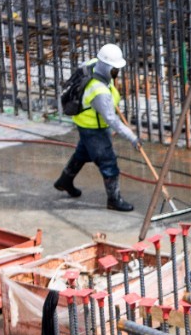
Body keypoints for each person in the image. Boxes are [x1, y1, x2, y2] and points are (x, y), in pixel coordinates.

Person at [53, 44, 138, 212]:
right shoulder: (99, 92)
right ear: (106, 67)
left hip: (85, 125)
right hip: (94, 130)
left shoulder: (93, 64)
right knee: (108, 163)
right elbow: (112, 120)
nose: (117, 73)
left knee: (82, 153)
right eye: (114, 70)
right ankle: (114, 200)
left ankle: (64, 181)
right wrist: (132, 138)